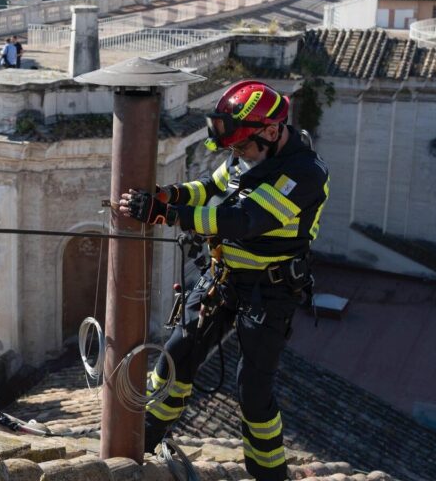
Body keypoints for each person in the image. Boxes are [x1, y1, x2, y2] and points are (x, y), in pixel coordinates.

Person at [118, 81, 329, 481]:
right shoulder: (245, 150)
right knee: (175, 356)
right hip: (224, 278)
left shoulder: (305, 174)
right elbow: (211, 187)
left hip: (271, 290)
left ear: (270, 132)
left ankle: (269, 475)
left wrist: (167, 215)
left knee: (252, 390)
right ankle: (140, 442)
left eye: (241, 147)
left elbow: (244, 221)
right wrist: (170, 195)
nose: (236, 155)